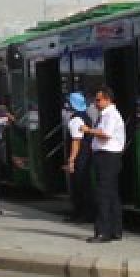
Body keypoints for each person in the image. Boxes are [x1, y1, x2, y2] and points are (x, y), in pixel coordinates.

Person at [82, 86, 126, 243]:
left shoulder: (110, 115)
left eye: (98, 99)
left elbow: (106, 134)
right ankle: (115, 230)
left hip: (107, 157)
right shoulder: (107, 114)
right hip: (108, 157)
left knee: (102, 194)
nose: (96, 102)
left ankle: (103, 232)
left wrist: (88, 130)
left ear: (107, 100)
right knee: (112, 193)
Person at [63, 92, 95, 223]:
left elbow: (76, 141)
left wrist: (71, 160)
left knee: (79, 185)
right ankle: (81, 213)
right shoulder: (86, 116)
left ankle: (83, 214)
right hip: (86, 154)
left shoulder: (75, 119)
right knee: (84, 185)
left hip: (80, 156)